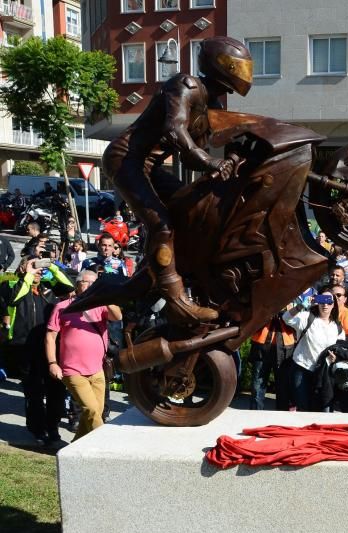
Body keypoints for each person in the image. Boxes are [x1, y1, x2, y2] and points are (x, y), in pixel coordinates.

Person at [99, 36, 253, 326]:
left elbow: (209, 144)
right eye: (237, 66)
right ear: (221, 64)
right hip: (126, 159)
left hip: (151, 166)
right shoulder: (186, 86)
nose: (243, 73)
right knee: (162, 223)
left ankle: (160, 275)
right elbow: (175, 131)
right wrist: (210, 163)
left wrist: (235, 154)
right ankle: (176, 301)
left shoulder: (213, 103)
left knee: (192, 211)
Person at [1, 256, 75, 445]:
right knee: (34, 393)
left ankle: (53, 428)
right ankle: (38, 429)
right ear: (23, 266)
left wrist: (54, 268)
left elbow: (69, 288)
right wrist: (29, 274)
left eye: (39, 266)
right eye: (33, 264)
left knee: (56, 392)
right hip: (25, 347)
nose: (38, 269)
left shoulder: (48, 288)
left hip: (50, 348)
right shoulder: (10, 285)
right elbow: (13, 299)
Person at [45, 270, 123, 440]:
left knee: (95, 412)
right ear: (77, 284)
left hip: (97, 369)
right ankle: (105, 446)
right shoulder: (63, 307)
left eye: (94, 283)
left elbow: (117, 316)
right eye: (86, 282)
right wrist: (52, 363)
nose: (90, 286)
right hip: (72, 370)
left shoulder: (100, 305)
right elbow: (50, 337)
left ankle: (75, 446)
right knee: (92, 411)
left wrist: (105, 297)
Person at [282, 288, 345, 411]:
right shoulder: (307, 318)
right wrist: (301, 306)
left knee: (322, 409)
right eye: (322, 300)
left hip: (323, 374)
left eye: (329, 301)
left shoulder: (337, 327)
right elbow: (286, 318)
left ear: (334, 305)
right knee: (303, 408)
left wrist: (335, 358)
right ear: (317, 302)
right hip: (302, 369)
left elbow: (341, 349)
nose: (325, 305)